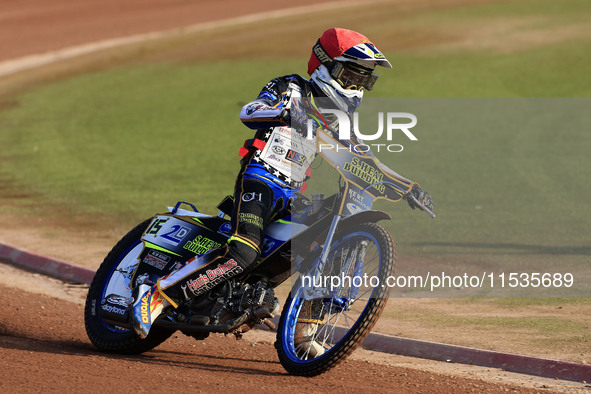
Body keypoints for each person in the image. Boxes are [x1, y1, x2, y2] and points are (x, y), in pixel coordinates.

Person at [130, 27, 433, 339]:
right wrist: (283, 111)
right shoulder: (291, 86)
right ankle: (156, 296)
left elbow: (365, 160)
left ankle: (303, 327)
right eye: (349, 77)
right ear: (324, 66)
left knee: (321, 232)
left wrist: (408, 187)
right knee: (244, 252)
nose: (355, 87)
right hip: (260, 180)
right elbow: (250, 110)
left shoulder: (339, 119)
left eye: (363, 81)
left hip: (291, 195)